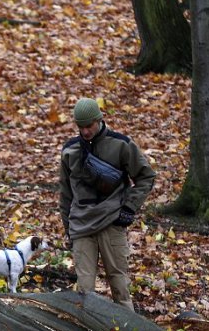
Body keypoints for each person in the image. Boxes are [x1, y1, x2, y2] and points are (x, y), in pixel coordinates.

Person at [59, 98, 156, 311]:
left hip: (112, 222)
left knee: (120, 286)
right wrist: (68, 229)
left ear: (99, 120)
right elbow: (65, 195)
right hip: (81, 226)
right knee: (84, 293)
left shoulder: (121, 144)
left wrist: (129, 207)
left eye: (89, 126)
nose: (85, 131)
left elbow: (146, 176)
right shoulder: (70, 151)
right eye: (80, 127)